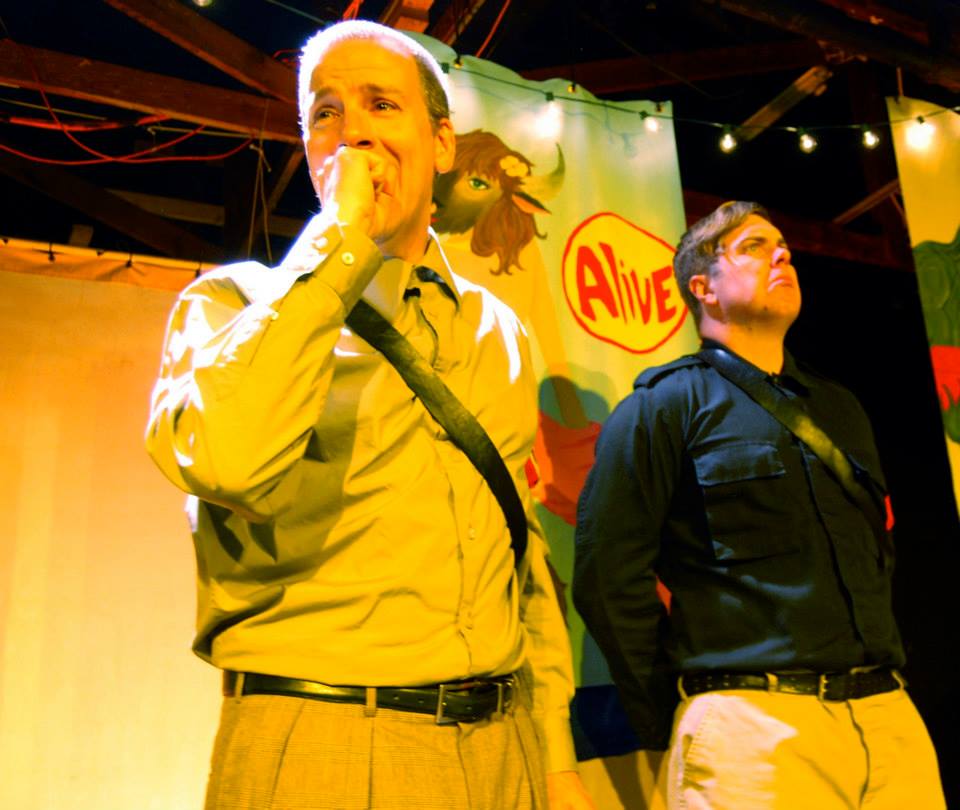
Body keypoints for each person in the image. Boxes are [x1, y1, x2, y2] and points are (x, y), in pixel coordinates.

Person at [145, 20, 593, 810]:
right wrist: (340, 244)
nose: (351, 130)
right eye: (325, 113)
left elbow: (516, 556)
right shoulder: (230, 304)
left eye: (381, 104)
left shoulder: (498, 329)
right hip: (328, 739)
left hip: (504, 744)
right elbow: (228, 462)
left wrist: (554, 755)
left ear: (443, 144)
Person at [573, 200, 945, 808]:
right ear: (703, 288)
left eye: (783, 247)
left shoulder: (839, 407)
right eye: (753, 246)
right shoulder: (663, 406)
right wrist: (681, 711)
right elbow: (605, 575)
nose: (782, 255)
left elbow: (877, 552)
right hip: (750, 726)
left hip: (888, 716)